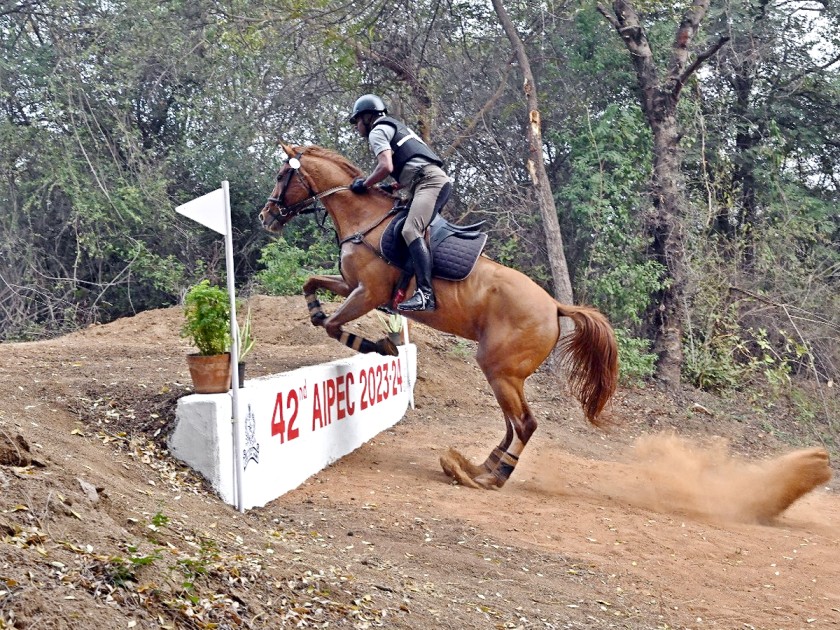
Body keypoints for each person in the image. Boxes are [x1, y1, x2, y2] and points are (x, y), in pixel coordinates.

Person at [347, 94, 451, 312]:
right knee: (401, 228)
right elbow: (412, 166)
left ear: (367, 117)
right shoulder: (395, 127)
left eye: (357, 121)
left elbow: (386, 166)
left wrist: (365, 184)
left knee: (411, 230)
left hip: (429, 183)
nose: (357, 127)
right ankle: (398, 291)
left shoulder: (377, 130)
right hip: (425, 181)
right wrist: (392, 187)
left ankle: (425, 295)